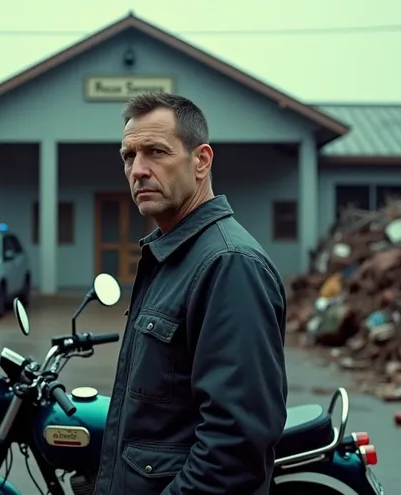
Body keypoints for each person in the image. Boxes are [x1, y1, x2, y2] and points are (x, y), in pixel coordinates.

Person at [92, 92, 288, 495]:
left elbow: (234, 450)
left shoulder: (228, 264)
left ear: (201, 161)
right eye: (129, 156)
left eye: (156, 152)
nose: (138, 170)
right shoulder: (171, 255)